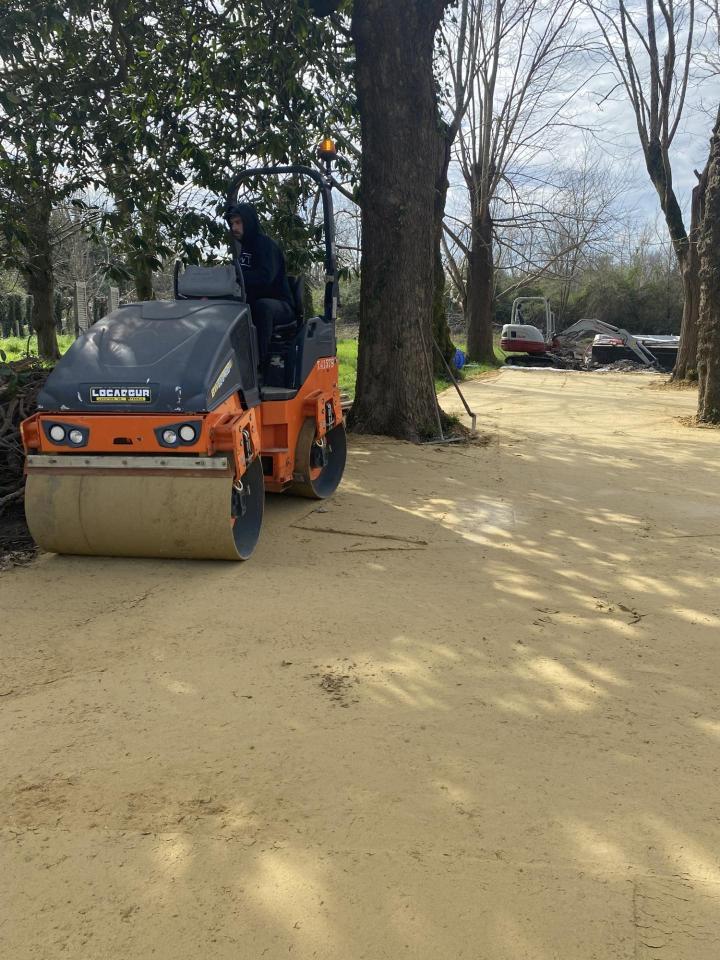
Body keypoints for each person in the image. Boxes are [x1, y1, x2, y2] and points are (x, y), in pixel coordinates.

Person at [225, 203, 295, 361]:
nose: (234, 227)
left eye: (238, 222)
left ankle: (257, 364)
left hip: (281, 305)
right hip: (253, 302)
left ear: (248, 222)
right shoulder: (243, 248)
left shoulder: (266, 245)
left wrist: (236, 277)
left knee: (262, 307)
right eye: (232, 223)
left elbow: (265, 278)